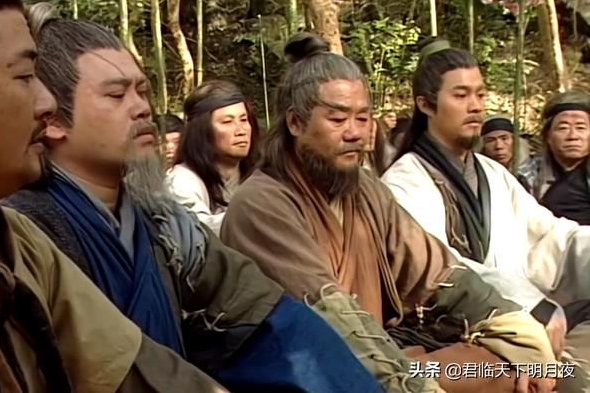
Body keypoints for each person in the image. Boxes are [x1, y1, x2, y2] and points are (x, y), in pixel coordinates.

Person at [2, 3, 380, 393]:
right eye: (116, 95)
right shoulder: (27, 229)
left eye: (142, 91)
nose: (142, 108)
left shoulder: (163, 222)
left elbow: (258, 306)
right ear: (54, 119)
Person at [0, 0, 231, 392]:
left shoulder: (15, 240)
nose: (45, 103)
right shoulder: (37, 220)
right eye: (25, 76)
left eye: (143, 91)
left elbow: (131, 368)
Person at [221, 33, 557, 393]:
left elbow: (437, 272)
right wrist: (416, 387)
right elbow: (328, 319)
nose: (355, 133)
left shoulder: (365, 189)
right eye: (338, 119)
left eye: (363, 118)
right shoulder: (261, 204)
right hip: (311, 370)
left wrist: (514, 324)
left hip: (386, 355)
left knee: (516, 365)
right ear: (296, 123)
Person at [382, 38, 590, 392]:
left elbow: (550, 238)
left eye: (480, 94)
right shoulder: (403, 182)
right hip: (453, 337)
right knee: (569, 383)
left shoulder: (492, 173)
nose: (476, 106)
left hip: (518, 329)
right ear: (426, 104)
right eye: (461, 95)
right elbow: (444, 268)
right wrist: (531, 306)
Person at [167, 80, 258, 236]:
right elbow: (200, 232)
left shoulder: (262, 172)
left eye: (244, 120)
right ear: (202, 131)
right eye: (227, 122)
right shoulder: (180, 182)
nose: (241, 130)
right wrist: (261, 213)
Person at [518, 91, 590, 226]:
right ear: (548, 136)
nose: (573, 136)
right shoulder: (529, 175)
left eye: (581, 128)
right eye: (563, 128)